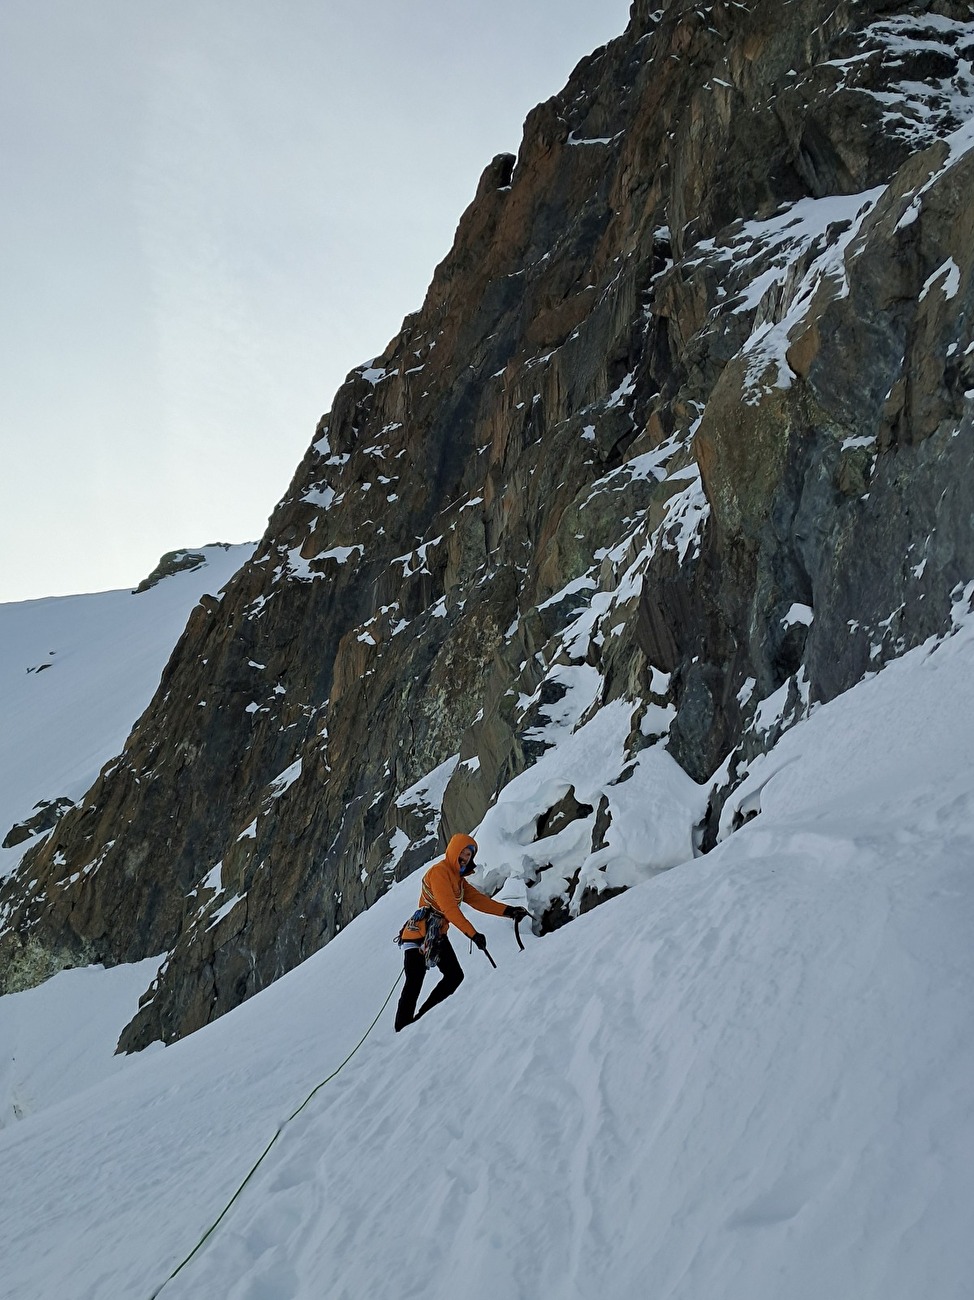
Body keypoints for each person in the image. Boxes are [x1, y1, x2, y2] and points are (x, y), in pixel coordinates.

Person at [394, 832, 528, 1032]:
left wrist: (509, 911)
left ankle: (421, 1020)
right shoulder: (439, 873)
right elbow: (450, 909)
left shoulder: (458, 880)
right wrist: (473, 934)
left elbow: (479, 901)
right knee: (416, 980)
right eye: (463, 853)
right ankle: (403, 1027)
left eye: (469, 855)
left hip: (436, 934)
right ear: (453, 851)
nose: (466, 858)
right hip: (418, 935)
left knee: (453, 976)